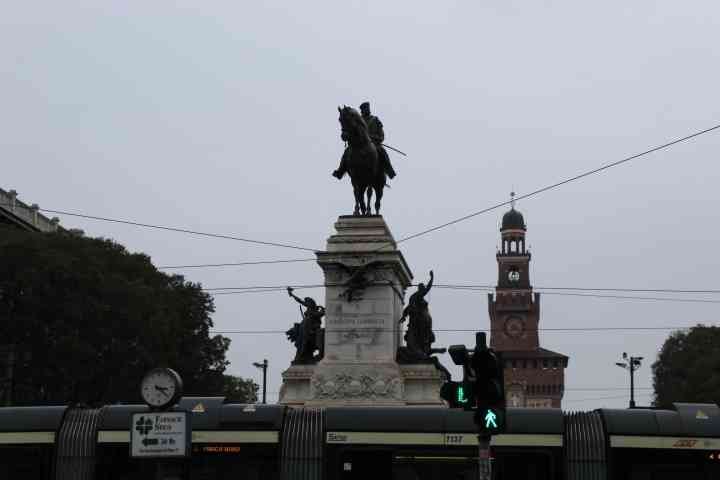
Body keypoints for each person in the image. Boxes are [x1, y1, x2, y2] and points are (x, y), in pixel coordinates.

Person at [333, 101, 397, 179]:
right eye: (364, 109)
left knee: (382, 152)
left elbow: (381, 136)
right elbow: (351, 133)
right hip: (358, 144)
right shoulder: (356, 120)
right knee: (347, 152)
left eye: (367, 108)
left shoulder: (375, 120)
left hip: (374, 143)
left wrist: (372, 137)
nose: (366, 110)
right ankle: (340, 171)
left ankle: (389, 170)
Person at [399, 270, 434, 357]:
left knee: (427, 328)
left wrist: (432, 277)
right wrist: (404, 316)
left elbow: (428, 288)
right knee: (422, 330)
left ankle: (426, 340)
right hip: (419, 317)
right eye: (422, 288)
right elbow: (409, 307)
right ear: (419, 289)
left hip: (424, 317)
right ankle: (422, 343)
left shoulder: (418, 295)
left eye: (423, 288)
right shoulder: (416, 296)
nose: (423, 290)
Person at [286, 287, 325, 363]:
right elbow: (300, 301)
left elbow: (322, 313)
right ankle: (302, 352)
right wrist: (292, 295)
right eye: (306, 303)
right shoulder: (310, 309)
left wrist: (323, 310)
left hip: (311, 328)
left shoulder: (315, 312)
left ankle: (305, 350)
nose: (306, 304)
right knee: (300, 337)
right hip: (304, 326)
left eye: (308, 302)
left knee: (305, 338)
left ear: (311, 303)